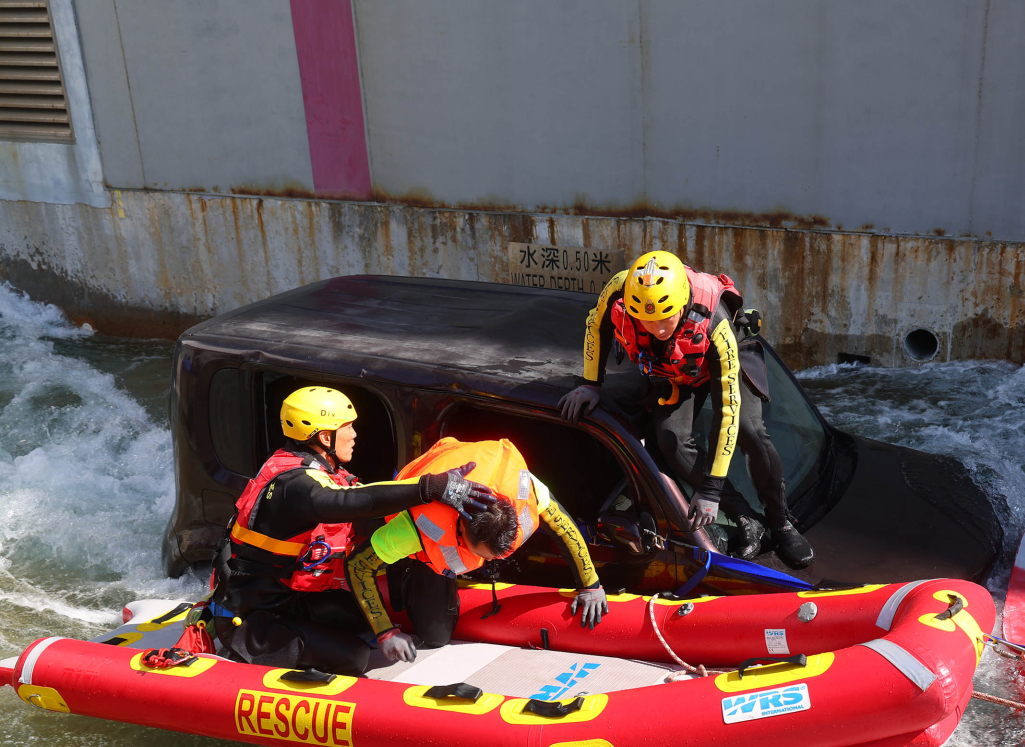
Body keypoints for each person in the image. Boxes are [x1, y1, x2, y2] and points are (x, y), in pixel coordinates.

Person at [211, 387, 495, 675]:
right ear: (325, 437)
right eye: (347, 427)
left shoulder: (321, 470)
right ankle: (242, 653)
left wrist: (435, 496)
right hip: (251, 618)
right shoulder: (294, 485)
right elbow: (340, 502)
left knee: (361, 623)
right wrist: (430, 487)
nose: (355, 434)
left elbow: (366, 504)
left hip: (292, 600)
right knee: (355, 657)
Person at [558, 250, 813, 569]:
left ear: (681, 304)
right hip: (674, 370)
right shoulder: (619, 289)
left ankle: (780, 521)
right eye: (646, 321)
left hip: (722, 364)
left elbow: (727, 411)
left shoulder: (715, 322)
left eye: (665, 318)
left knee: (750, 432)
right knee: (670, 440)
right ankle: (746, 516)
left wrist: (709, 489)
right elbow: (596, 325)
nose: (656, 328)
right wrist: (589, 384)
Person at [345, 436, 609, 662]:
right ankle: (410, 570)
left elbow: (565, 529)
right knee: (435, 637)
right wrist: (385, 631)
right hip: (426, 522)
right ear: (460, 530)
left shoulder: (524, 490)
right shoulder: (414, 527)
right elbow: (357, 566)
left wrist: (591, 585)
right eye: (481, 554)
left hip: (485, 468)